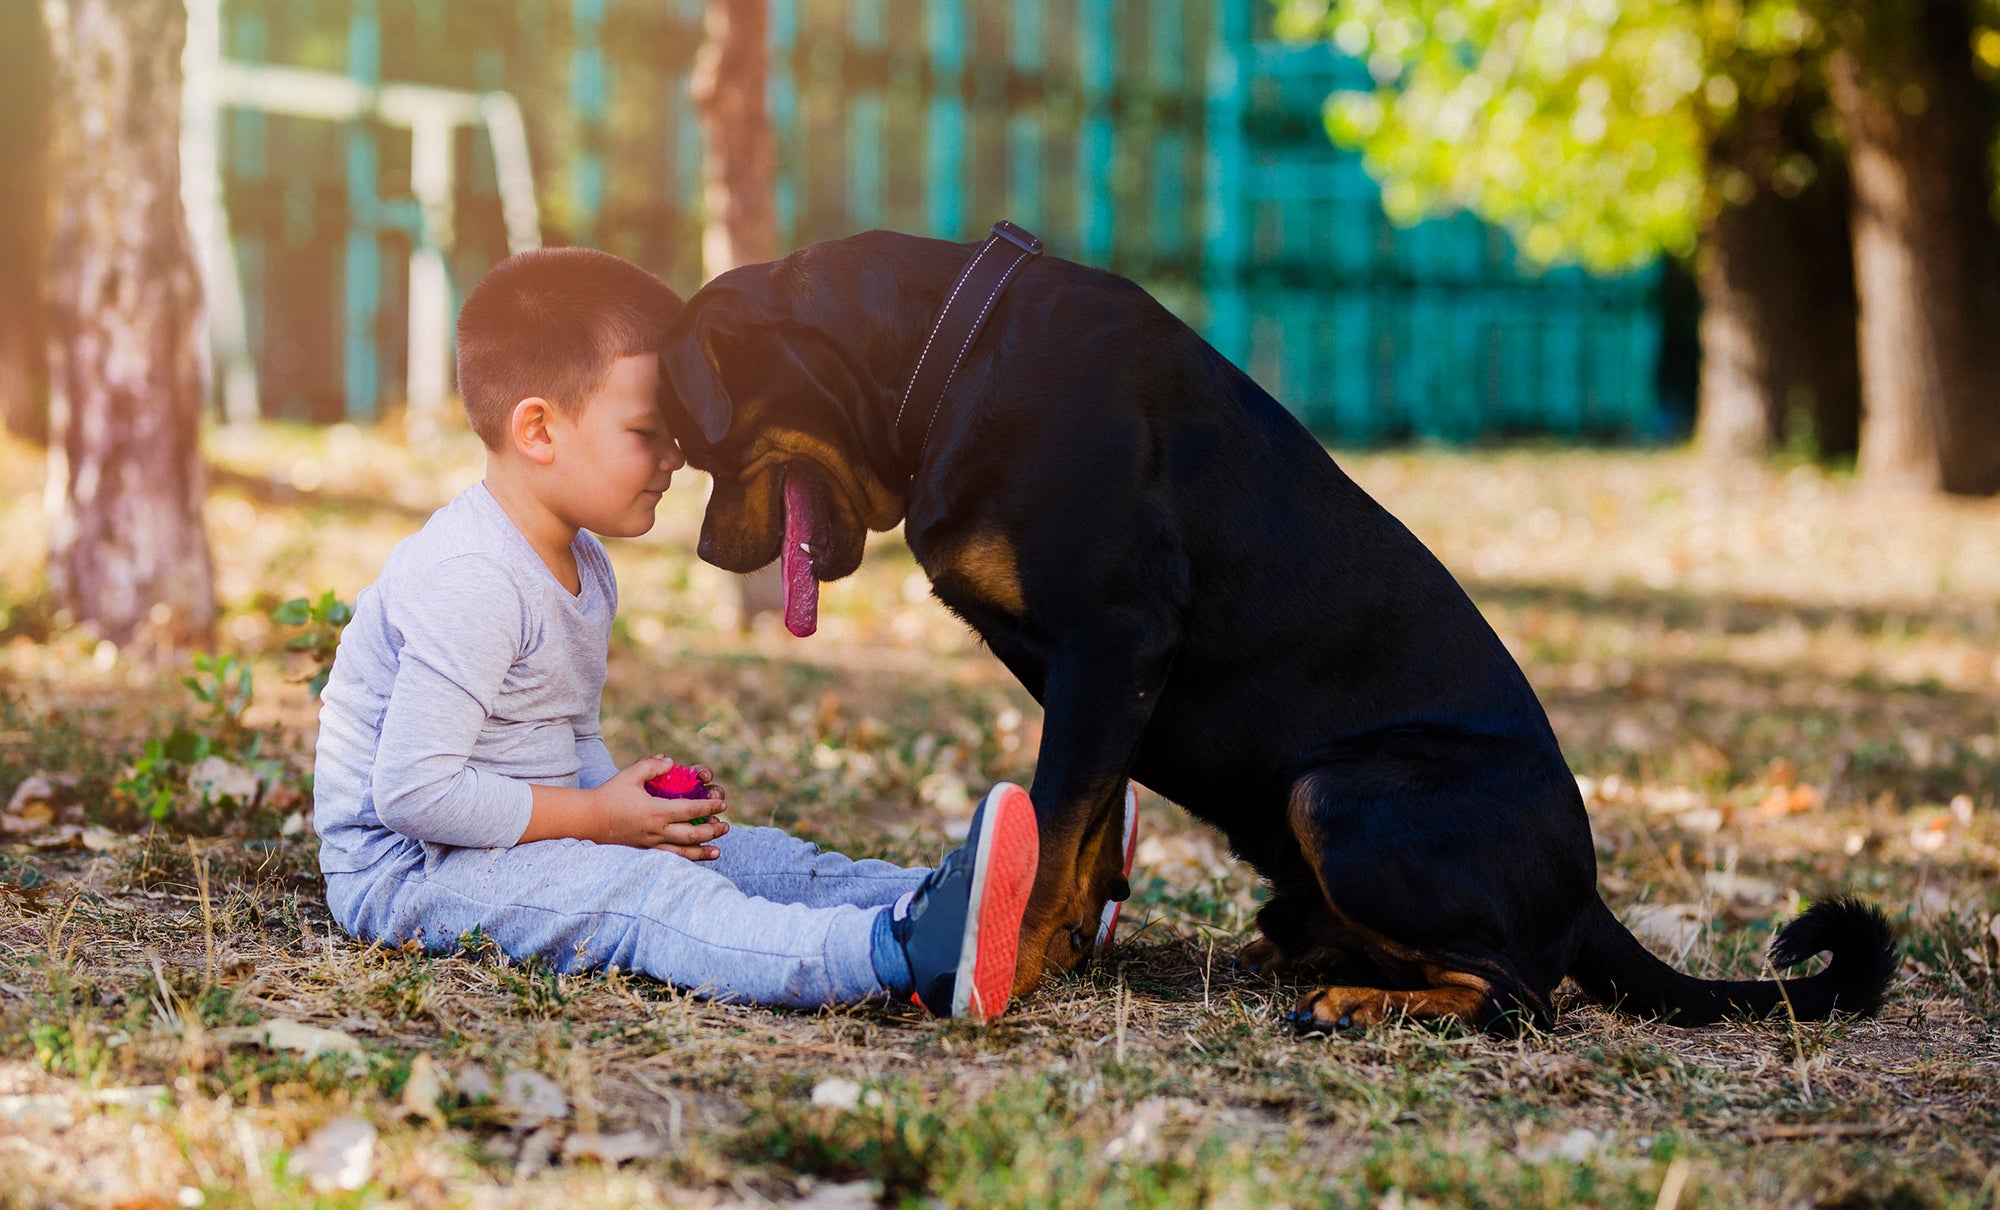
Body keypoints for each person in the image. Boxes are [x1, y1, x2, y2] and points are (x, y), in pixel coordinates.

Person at [311, 247, 1040, 1020]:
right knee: (652, 894)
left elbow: (563, 739)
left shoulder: (582, 561)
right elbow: (415, 794)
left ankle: (1010, 906)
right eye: (646, 431)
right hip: (412, 872)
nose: (678, 458)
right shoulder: (473, 575)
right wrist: (601, 821)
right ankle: (899, 953)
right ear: (537, 429)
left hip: (502, 841)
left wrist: (637, 812)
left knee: (748, 856)